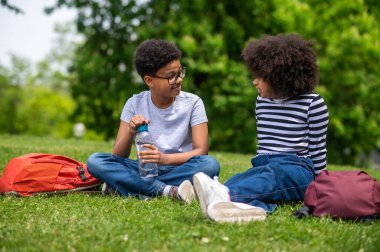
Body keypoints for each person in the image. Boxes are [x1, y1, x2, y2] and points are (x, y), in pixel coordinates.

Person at [193, 34, 329, 223]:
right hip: (265, 164)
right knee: (241, 179)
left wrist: (322, 191)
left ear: (279, 77)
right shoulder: (262, 101)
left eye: (260, 77)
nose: (254, 82)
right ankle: (250, 209)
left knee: (273, 176)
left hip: (298, 170)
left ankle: (224, 195)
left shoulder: (313, 103)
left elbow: (318, 151)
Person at [87, 39, 220, 203]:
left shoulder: (193, 103)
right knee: (96, 161)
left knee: (210, 164)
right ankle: (168, 191)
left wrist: (164, 159)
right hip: (144, 170)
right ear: (149, 81)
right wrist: (130, 131)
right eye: (171, 76)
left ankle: (130, 188)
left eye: (180, 73)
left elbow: (201, 151)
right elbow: (118, 155)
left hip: (180, 168)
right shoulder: (134, 103)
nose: (179, 80)